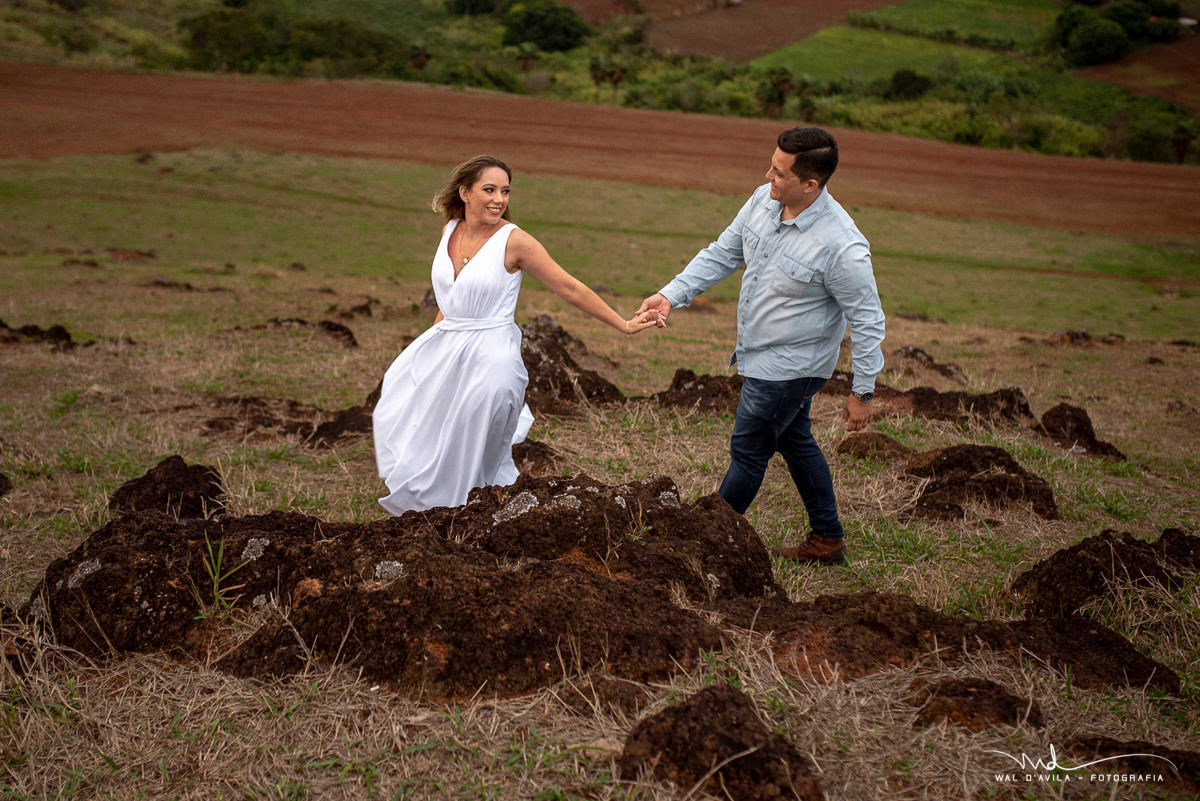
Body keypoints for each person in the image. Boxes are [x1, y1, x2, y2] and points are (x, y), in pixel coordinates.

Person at [637, 127, 885, 564]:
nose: (767, 175)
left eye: (779, 172)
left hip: (792, 366)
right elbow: (723, 252)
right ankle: (828, 538)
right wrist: (670, 294)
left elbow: (867, 319)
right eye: (771, 165)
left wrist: (863, 391)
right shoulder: (763, 199)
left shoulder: (842, 246)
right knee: (794, 439)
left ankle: (704, 544)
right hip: (759, 352)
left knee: (749, 452)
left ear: (811, 183)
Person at [373, 155, 657, 514]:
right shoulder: (450, 229)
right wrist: (431, 348)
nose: (499, 199)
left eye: (505, 191)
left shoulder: (515, 241)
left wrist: (624, 324)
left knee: (475, 436)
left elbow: (568, 287)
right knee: (430, 430)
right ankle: (439, 512)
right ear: (464, 193)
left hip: (493, 354)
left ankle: (470, 513)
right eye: (489, 190)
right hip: (449, 345)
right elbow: (451, 297)